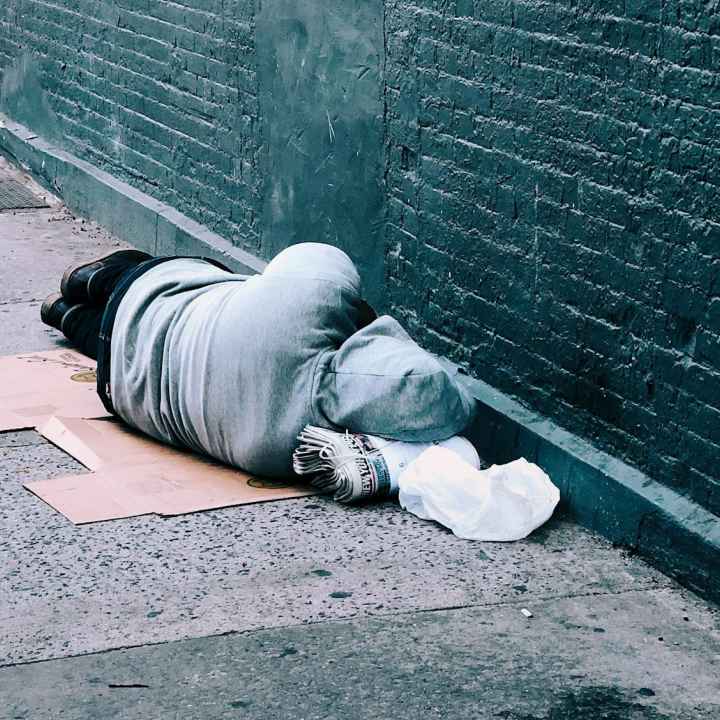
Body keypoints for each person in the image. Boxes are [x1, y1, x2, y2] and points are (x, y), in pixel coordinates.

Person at [40, 243, 476, 479]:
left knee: (135, 280)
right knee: (119, 344)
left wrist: (362, 320)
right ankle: (63, 315)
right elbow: (440, 397)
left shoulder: (309, 299)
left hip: (154, 292)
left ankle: (80, 282)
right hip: (122, 387)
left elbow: (316, 255)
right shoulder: (285, 451)